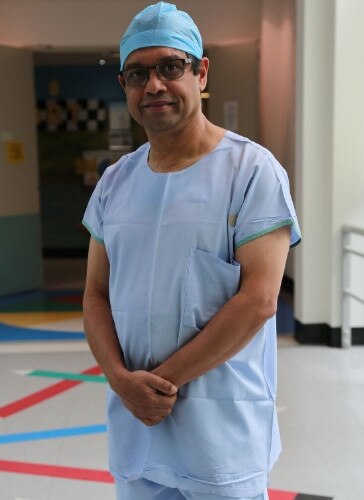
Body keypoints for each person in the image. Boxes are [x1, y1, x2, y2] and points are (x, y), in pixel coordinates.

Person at [82, 2, 301, 499]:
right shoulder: (116, 182)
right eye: (137, 73)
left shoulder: (251, 172)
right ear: (125, 86)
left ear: (201, 73)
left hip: (220, 434)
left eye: (170, 67)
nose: (153, 85)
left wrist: (155, 386)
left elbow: (259, 300)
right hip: (138, 430)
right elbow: (95, 294)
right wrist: (120, 380)